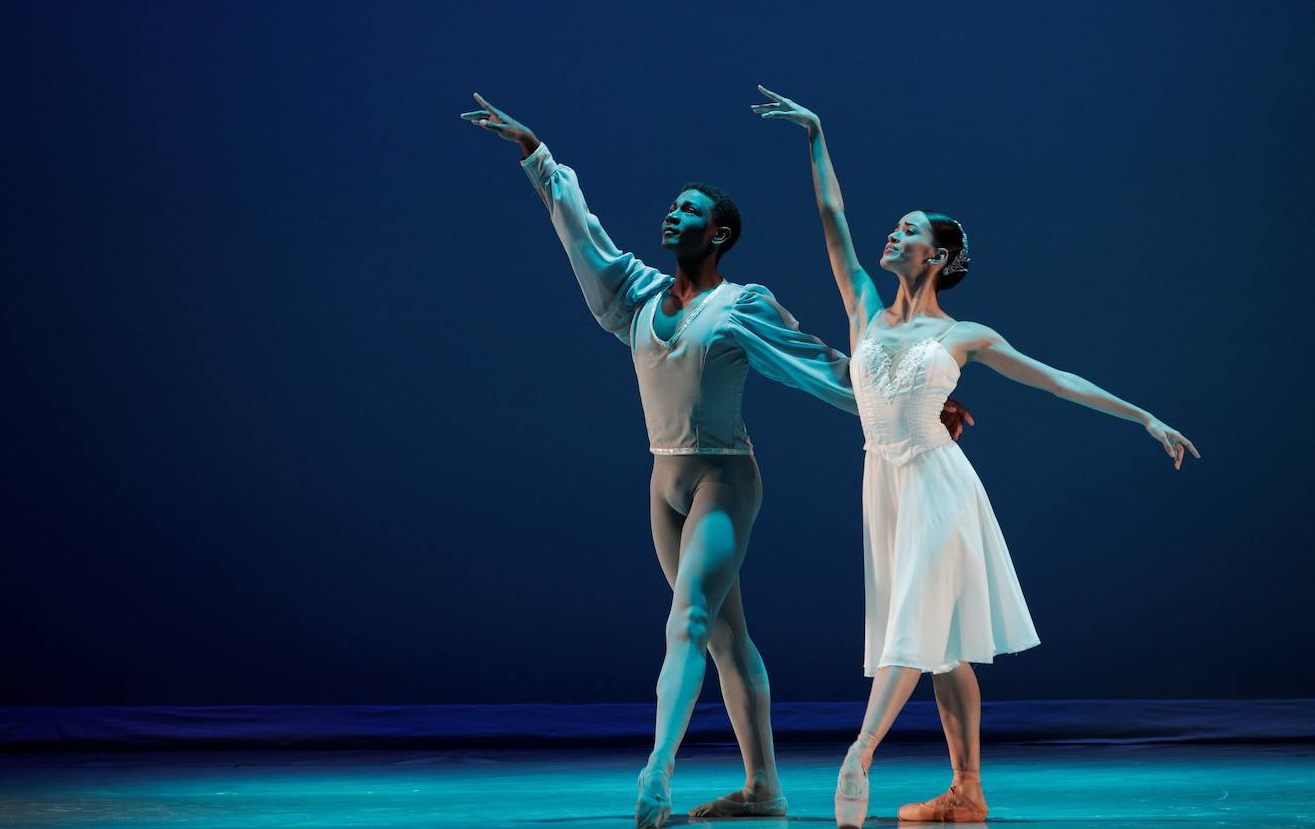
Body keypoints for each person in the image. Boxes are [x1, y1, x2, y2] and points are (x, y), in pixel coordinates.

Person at [461, 92, 972, 828]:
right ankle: (764, 788)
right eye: (672, 208)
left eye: (690, 211)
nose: (673, 217)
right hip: (662, 479)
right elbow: (583, 232)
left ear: (720, 232)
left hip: (722, 478)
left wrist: (916, 404)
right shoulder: (635, 295)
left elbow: (824, 365)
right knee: (727, 635)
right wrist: (536, 155)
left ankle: (655, 774)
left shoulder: (739, 305)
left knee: (689, 616)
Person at [752, 85, 1199, 827]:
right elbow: (832, 218)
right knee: (944, 642)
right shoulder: (863, 307)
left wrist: (1142, 415)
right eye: (892, 228)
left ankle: (858, 756)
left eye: (908, 230)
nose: (891, 236)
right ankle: (967, 792)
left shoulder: (965, 335)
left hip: (938, 484)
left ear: (940, 254)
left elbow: (1055, 379)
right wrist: (816, 137)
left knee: (911, 628)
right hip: (883, 487)